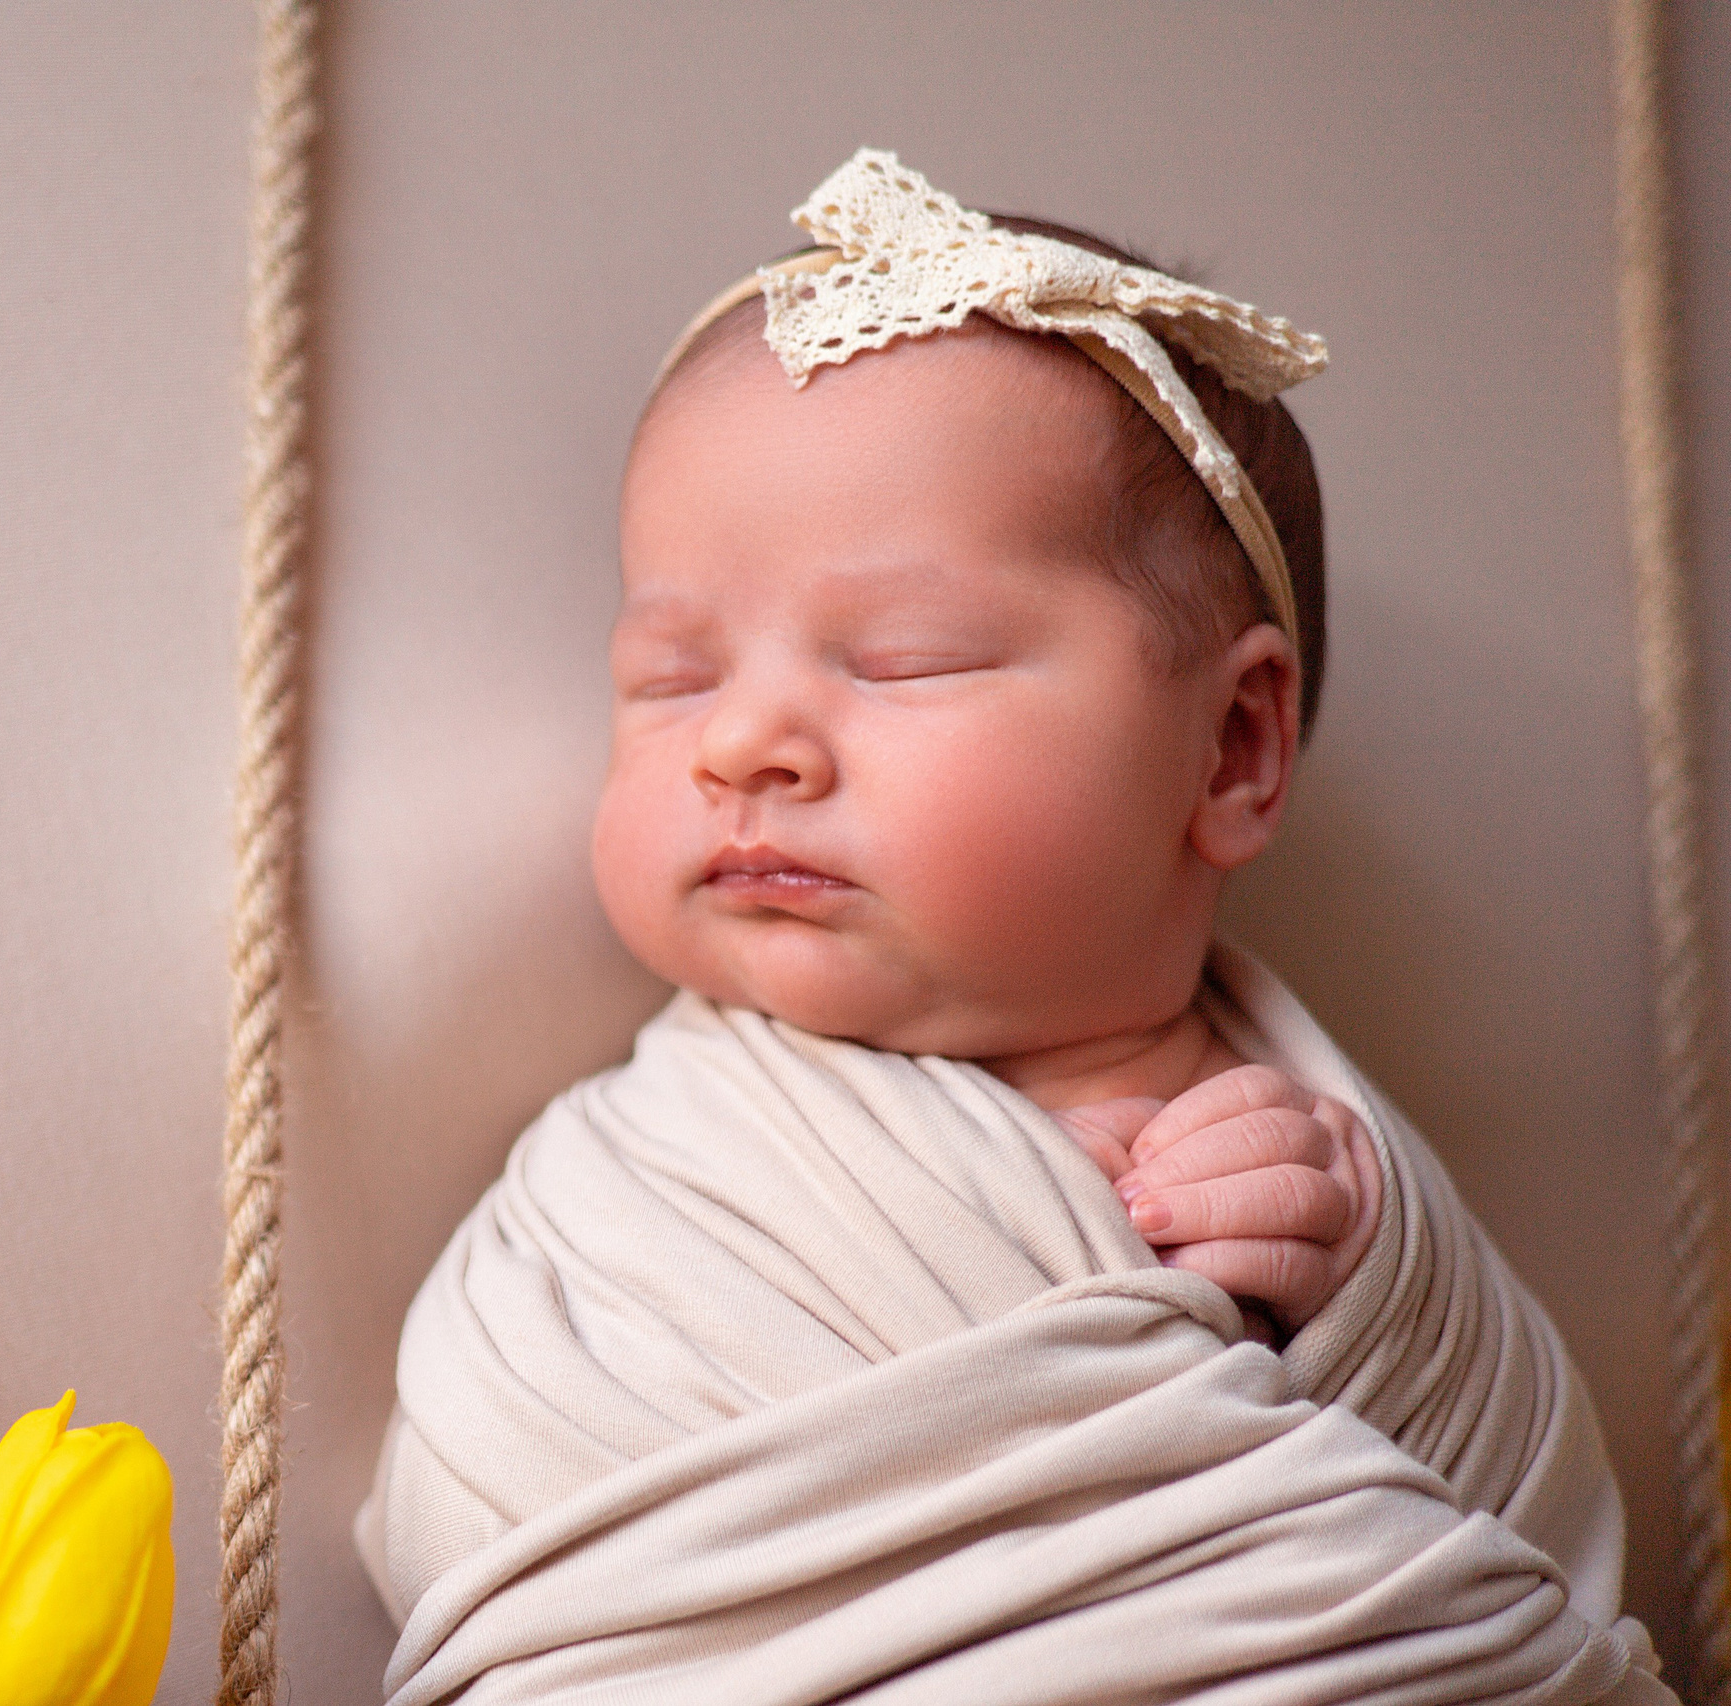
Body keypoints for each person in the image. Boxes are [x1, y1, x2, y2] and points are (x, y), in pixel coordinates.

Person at [355, 151, 1669, 1705]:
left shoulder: (1338, 1182)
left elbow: (1500, 1504)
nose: (741, 744)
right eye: (672, 679)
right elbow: (480, 1495)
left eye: (906, 658)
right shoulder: (629, 1203)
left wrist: (1361, 1268)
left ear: (1233, 746)